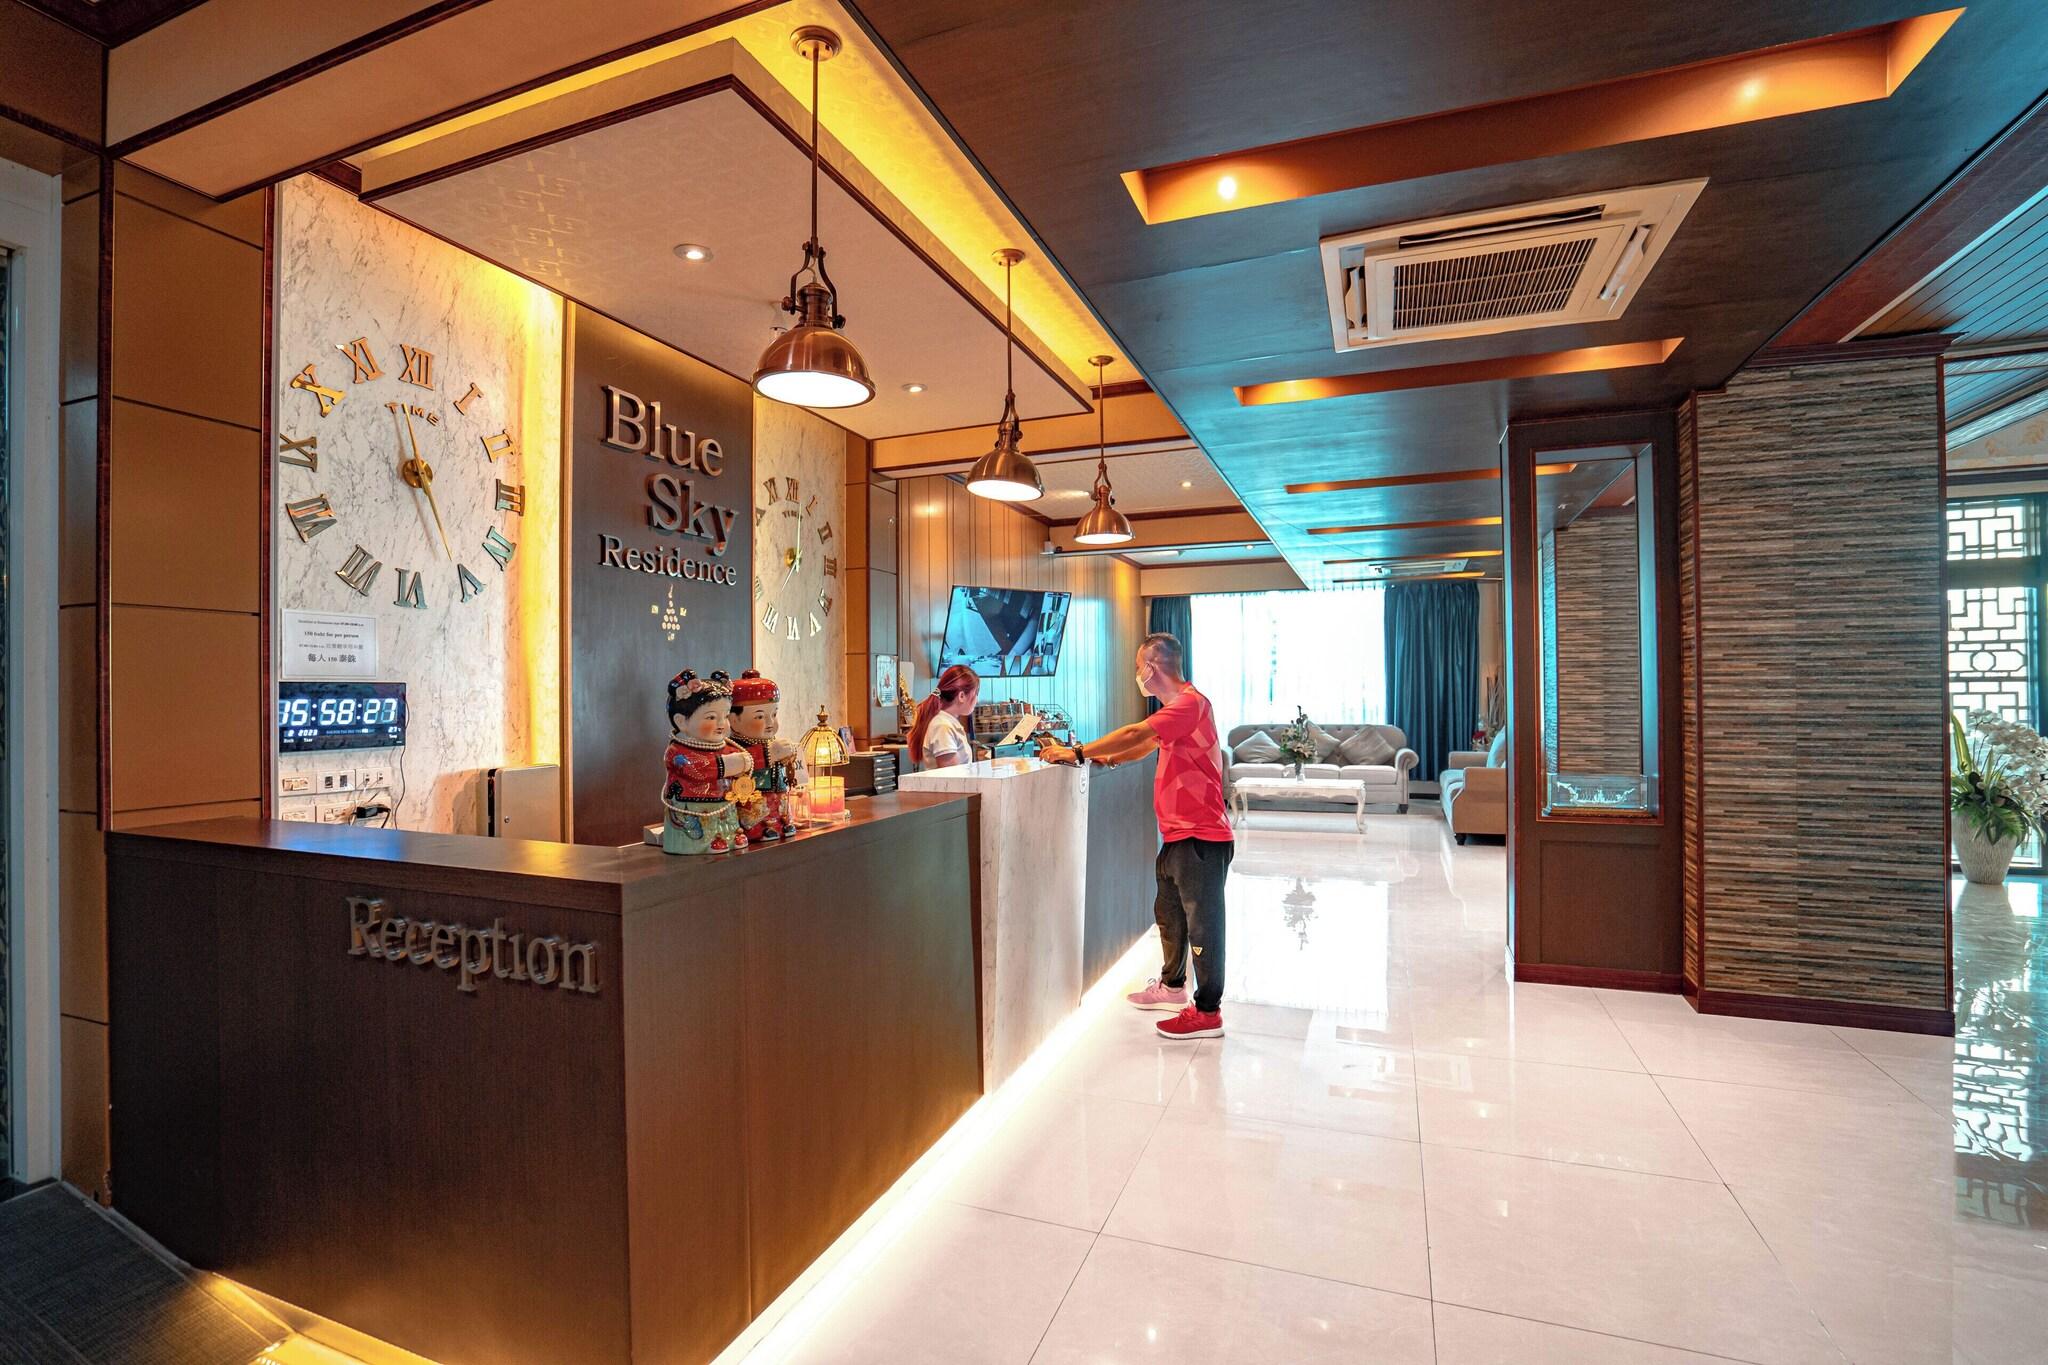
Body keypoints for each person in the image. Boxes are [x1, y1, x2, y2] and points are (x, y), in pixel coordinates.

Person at [1039, 633, 1232, 1039]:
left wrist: (1078, 752)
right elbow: (1142, 747)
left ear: (1152, 666)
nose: (1136, 674)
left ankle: (1208, 1012)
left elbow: (1133, 734)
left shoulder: (1190, 704)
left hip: (1201, 836)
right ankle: (1173, 988)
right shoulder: (1176, 712)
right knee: (1170, 916)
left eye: (1137, 666)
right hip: (1177, 834)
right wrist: (1103, 758)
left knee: (1203, 927)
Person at [908, 664, 980, 770]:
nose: (977, 699)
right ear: (961, 696)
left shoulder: (946, 723)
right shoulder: (943, 726)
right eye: (976, 693)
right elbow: (951, 776)